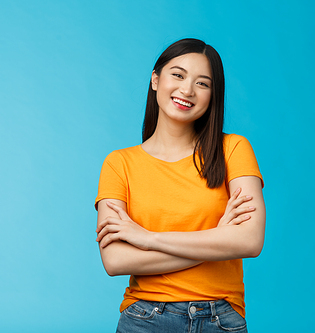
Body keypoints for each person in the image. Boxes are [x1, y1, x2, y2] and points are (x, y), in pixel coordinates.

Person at [95, 38, 265, 333]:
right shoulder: (118, 163)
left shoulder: (233, 150)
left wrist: (148, 239)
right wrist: (218, 238)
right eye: (178, 75)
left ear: (213, 95)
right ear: (155, 80)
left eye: (203, 83)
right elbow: (115, 260)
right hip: (144, 317)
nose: (187, 90)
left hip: (220, 318)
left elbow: (249, 241)